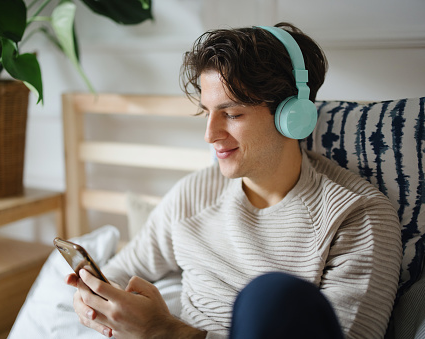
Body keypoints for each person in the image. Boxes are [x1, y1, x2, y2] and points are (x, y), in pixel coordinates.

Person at [66, 22, 402, 338]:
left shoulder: (357, 216)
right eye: (206, 112)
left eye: (232, 114)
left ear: (293, 116)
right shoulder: (193, 195)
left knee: (271, 297)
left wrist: (166, 332)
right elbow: (121, 270)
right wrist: (92, 297)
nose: (210, 135)